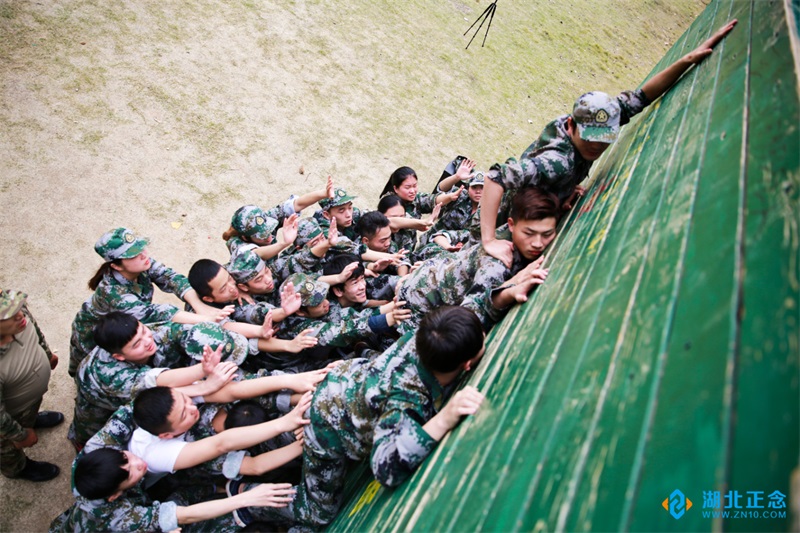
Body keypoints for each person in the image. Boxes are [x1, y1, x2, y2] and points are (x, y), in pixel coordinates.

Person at [480, 20, 738, 266]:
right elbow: (495, 178)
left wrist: (687, 60)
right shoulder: (556, 163)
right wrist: (490, 240)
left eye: (604, 140)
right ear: (571, 125)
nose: (596, 147)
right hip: (514, 224)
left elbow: (641, 97)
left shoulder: (600, 118)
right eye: (590, 138)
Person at [233, 306, 486, 528]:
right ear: (466, 365)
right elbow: (385, 468)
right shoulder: (405, 400)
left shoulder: (429, 335)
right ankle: (246, 496)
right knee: (318, 513)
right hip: (327, 421)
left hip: (352, 382)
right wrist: (445, 419)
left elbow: (462, 318)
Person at [69, 227, 231, 377]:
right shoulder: (113, 293)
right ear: (116, 266)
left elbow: (171, 277)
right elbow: (154, 314)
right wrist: (207, 319)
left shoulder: (141, 263)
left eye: (141, 248)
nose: (143, 254)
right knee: (90, 370)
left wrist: (199, 306)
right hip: (93, 334)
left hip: (126, 327)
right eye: (133, 254)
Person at [398, 187, 558, 332]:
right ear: (511, 225)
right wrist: (507, 290)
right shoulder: (497, 264)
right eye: (529, 234)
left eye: (547, 234)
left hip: (437, 275)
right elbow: (468, 318)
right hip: (419, 300)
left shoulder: (519, 228)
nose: (538, 243)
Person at [0, 290, 63, 482]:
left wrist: (46, 352)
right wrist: (19, 435)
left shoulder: (20, 315)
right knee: (6, 450)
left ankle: (31, 419)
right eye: (9, 315)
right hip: (8, 418)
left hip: (28, 401)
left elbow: (35, 329)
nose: (20, 314)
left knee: (30, 412)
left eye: (18, 307)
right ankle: (18, 468)